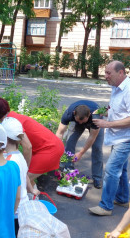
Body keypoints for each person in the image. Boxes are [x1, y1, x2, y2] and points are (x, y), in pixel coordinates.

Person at [0, 97, 64, 185]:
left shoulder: (12, 122)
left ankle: (28, 198)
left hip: (50, 149)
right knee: (27, 180)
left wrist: (24, 168)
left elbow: (28, 146)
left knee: (22, 181)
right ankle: (32, 195)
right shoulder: (11, 118)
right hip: (51, 146)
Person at [89, 60, 130, 216]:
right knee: (122, 169)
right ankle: (122, 198)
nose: (105, 76)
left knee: (112, 171)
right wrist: (107, 111)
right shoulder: (116, 87)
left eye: (108, 73)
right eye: (105, 72)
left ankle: (105, 206)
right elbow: (121, 109)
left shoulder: (128, 89)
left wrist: (107, 123)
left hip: (125, 138)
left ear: (120, 73)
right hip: (119, 136)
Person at [2, 117, 40, 236]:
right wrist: (31, 189)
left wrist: (8, 214)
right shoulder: (19, 156)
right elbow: (25, 175)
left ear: (4, 138)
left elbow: (14, 194)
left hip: (14, 211)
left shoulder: (9, 162)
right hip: (23, 209)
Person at [55, 100, 104, 189]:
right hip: (78, 119)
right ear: (74, 113)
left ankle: (97, 177)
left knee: (97, 148)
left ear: (88, 115)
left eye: (83, 121)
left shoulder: (96, 116)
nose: (81, 123)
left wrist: (81, 153)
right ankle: (68, 169)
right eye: (79, 120)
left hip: (93, 122)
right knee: (70, 141)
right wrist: (57, 149)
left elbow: (92, 137)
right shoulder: (69, 113)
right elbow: (60, 132)